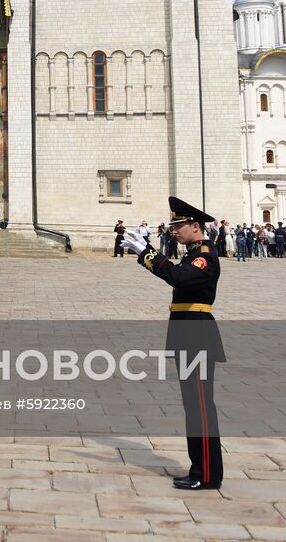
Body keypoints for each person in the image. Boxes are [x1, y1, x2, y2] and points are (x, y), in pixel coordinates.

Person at [119, 196, 224, 491]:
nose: (174, 230)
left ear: (195, 226)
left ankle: (206, 474)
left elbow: (178, 277)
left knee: (201, 407)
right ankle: (200, 468)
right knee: (194, 406)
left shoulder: (205, 256)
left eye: (179, 225)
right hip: (189, 336)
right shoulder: (193, 253)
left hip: (197, 337)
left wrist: (147, 254)